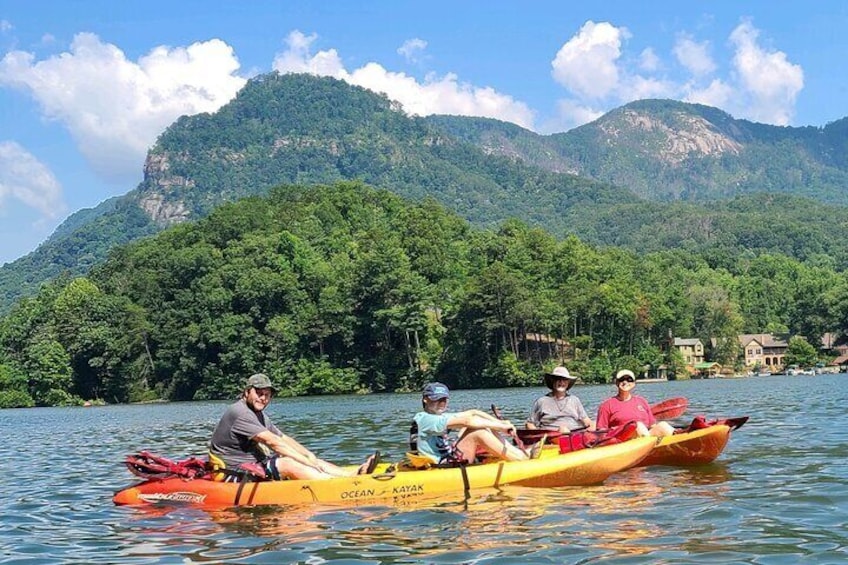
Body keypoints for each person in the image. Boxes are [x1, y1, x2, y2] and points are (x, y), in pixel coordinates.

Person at [209, 373, 379, 480]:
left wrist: (309, 455)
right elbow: (273, 442)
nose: (263, 398)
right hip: (234, 473)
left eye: (267, 395)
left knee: (309, 460)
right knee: (290, 463)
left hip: (253, 465)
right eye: (259, 393)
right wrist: (302, 461)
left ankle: (353, 474)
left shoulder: (257, 414)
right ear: (247, 392)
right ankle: (338, 485)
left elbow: (283, 438)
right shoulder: (240, 412)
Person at [412, 382, 544, 465]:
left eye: (444, 400)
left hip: (447, 455)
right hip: (441, 464)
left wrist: (498, 422)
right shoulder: (425, 419)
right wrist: (501, 426)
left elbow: (473, 413)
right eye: (437, 400)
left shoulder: (437, 416)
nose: (442, 404)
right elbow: (468, 421)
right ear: (425, 400)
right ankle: (521, 459)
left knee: (478, 426)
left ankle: (517, 452)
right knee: (478, 431)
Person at [596, 369, 675, 437]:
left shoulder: (642, 401)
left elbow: (652, 425)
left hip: (645, 436)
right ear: (617, 383)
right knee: (638, 426)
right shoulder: (606, 405)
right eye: (622, 379)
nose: (625, 382)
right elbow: (601, 432)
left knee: (663, 425)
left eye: (629, 379)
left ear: (634, 384)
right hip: (622, 440)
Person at [526, 366, 596, 433]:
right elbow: (529, 424)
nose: (561, 382)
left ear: (568, 383)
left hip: (575, 434)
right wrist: (539, 435)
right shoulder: (541, 401)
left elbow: (586, 420)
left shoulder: (575, 400)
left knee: (595, 424)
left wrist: (592, 424)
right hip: (551, 437)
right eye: (558, 379)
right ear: (552, 381)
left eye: (564, 380)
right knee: (563, 430)